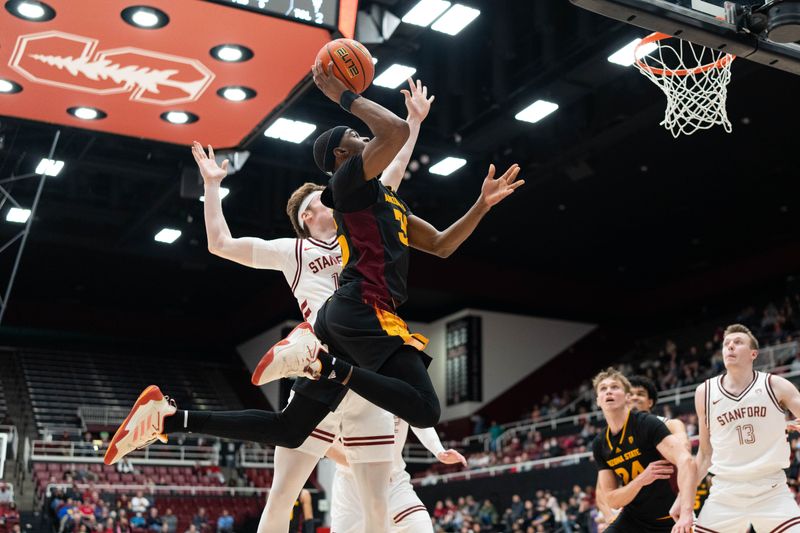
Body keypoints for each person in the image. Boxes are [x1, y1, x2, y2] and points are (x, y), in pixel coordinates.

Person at [692, 324, 800, 532]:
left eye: (738, 342)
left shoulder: (775, 385)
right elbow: (705, 454)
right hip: (725, 493)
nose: (730, 346)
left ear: (753, 354)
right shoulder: (704, 392)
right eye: (726, 344)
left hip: (771, 489)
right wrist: (684, 498)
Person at [592, 368, 694, 532]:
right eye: (603, 388)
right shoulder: (600, 443)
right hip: (633, 518)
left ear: (627, 397)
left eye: (615, 387)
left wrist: (686, 511)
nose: (609, 391)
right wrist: (641, 479)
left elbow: (687, 460)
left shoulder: (649, 424)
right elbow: (610, 498)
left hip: (669, 516)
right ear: (598, 400)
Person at [327, 417, 467, 532]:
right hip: (352, 486)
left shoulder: (404, 384)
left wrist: (438, 450)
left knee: (420, 525)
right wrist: (365, 467)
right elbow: (324, 437)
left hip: (393, 480)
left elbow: (417, 415)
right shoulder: (345, 385)